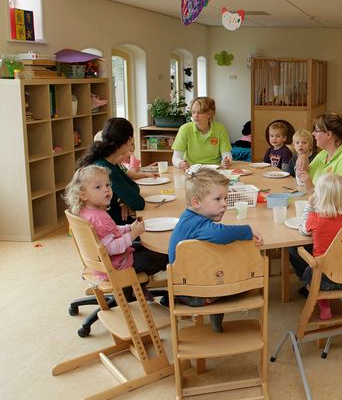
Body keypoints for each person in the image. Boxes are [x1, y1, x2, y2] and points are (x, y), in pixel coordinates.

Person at [168, 168, 263, 332]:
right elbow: (220, 234)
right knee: (238, 274)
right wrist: (247, 230)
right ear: (196, 202)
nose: (225, 203)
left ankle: (216, 319)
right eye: (217, 199)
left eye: (225, 198)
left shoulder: (188, 218)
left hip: (186, 285)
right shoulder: (199, 225)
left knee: (222, 264)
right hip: (193, 292)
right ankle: (216, 319)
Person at [64, 165, 168, 299]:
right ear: (83, 195)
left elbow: (111, 232)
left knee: (143, 245)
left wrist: (129, 228)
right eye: (98, 187)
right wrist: (133, 234)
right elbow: (111, 248)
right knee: (161, 255)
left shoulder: (87, 212)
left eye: (108, 185)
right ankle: (130, 290)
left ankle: (135, 287)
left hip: (102, 263)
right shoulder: (99, 218)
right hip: (116, 267)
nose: (106, 189)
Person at [292, 173, 342, 319]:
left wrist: (309, 206)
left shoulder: (316, 218)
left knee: (311, 269)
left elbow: (302, 228)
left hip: (324, 280)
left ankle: (324, 307)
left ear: (319, 197)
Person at [77, 118, 145, 225]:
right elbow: (139, 203)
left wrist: (124, 202)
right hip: (110, 226)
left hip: (105, 221)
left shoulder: (105, 160)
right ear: (129, 140)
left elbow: (134, 187)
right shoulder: (107, 169)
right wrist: (128, 200)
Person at [296, 113, 342, 192]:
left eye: (316, 130)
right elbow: (303, 180)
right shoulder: (324, 154)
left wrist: (312, 189)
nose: (313, 133)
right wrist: (302, 158)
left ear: (328, 134)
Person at [171, 97, 232, 169]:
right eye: (193, 112)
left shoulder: (220, 129)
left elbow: (227, 155)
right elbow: (175, 158)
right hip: (191, 169)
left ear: (209, 114)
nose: (195, 116)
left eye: (199, 112)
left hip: (215, 169)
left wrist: (227, 161)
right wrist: (180, 163)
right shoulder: (185, 129)